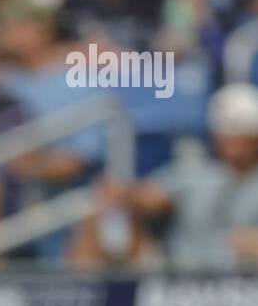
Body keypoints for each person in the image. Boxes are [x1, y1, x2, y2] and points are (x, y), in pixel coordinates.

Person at [101, 84, 258, 270]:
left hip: (245, 282)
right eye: (228, 132)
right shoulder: (194, 171)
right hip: (181, 277)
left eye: (242, 132)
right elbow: (148, 197)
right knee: (106, 216)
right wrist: (127, 195)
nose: (235, 142)